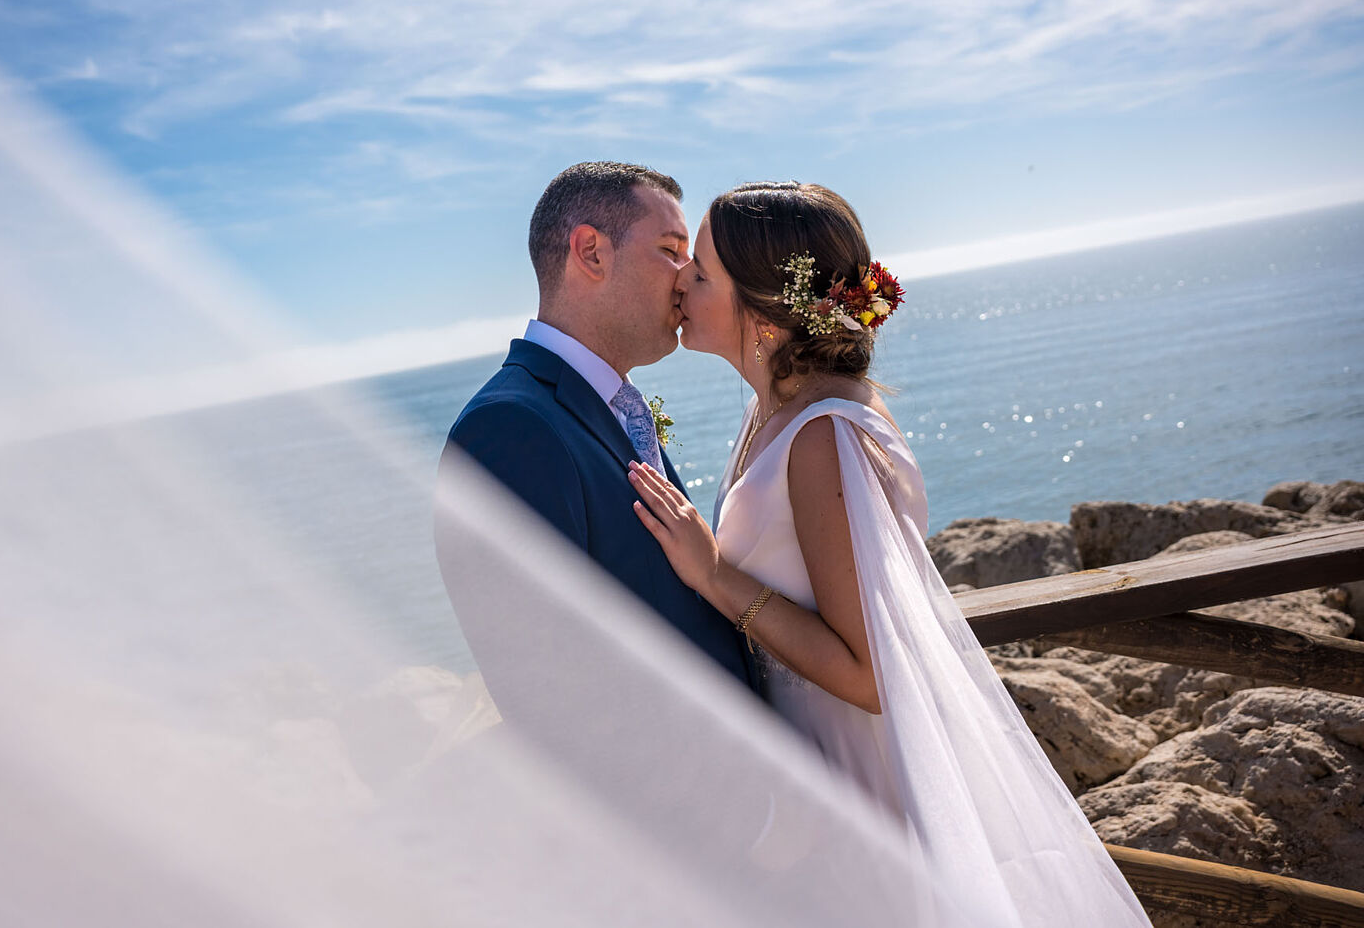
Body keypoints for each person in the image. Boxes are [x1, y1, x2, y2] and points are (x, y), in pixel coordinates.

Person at [627, 182, 1152, 928]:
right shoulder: (775, 409)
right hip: (805, 767)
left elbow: (872, 676)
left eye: (702, 272)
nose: (682, 282)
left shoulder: (822, 437)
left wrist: (713, 574)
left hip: (859, 770)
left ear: (768, 311)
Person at [436, 162, 761, 728]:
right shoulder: (508, 429)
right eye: (670, 249)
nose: (687, 276)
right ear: (590, 252)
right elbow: (550, 699)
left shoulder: (603, 403)